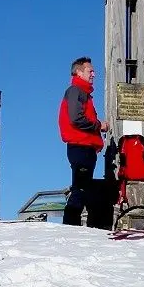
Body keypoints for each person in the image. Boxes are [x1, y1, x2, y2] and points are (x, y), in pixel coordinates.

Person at [58, 57, 109, 227]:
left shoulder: (82, 93)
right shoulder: (76, 91)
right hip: (80, 146)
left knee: (84, 187)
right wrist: (99, 125)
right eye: (90, 71)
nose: (93, 74)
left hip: (85, 147)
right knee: (80, 188)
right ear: (79, 72)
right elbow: (76, 118)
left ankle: (83, 225)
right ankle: (71, 225)